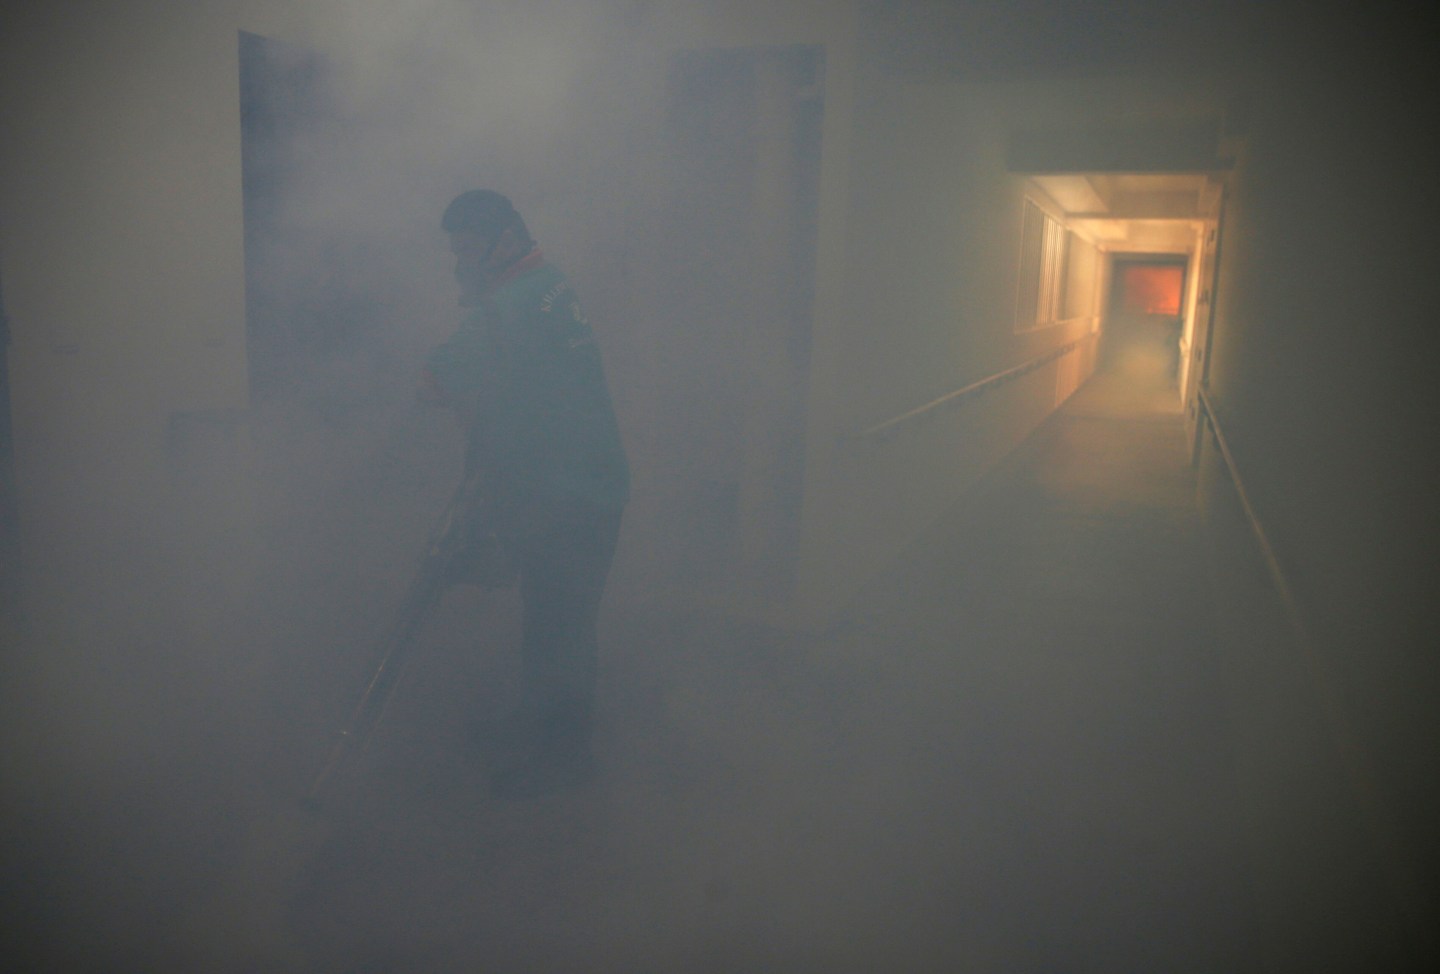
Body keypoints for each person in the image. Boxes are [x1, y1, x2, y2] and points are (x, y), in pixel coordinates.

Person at [420, 189, 629, 798]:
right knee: (551, 618)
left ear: (503, 241)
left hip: (567, 494)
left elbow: (439, 379)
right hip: (585, 481)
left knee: (561, 627)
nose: (458, 261)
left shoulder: (503, 310)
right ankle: (541, 721)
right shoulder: (550, 282)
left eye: (465, 248)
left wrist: (427, 378)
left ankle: (562, 764)